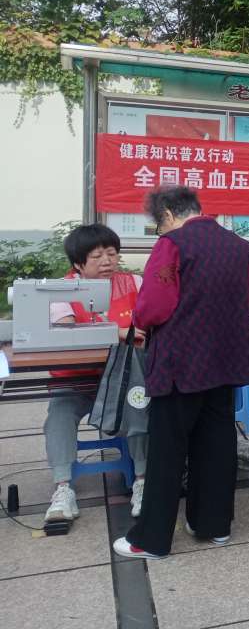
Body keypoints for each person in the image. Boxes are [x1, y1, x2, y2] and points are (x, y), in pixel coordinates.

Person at [113, 186, 249, 560]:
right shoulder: (237, 245)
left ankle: (151, 540)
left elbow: (153, 307)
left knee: (167, 449)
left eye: (159, 224)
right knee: (217, 442)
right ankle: (214, 525)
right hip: (226, 359)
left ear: (167, 214)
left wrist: (139, 321)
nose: (160, 230)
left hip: (181, 361)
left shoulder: (173, 244)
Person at [44, 224, 147, 523]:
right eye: (97, 256)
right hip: (75, 381)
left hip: (124, 378)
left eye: (111, 254)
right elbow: (66, 330)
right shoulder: (60, 290)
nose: (107, 261)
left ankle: (143, 481)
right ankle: (63, 488)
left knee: (140, 406)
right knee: (58, 416)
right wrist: (118, 332)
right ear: (78, 264)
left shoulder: (135, 283)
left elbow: (151, 322)